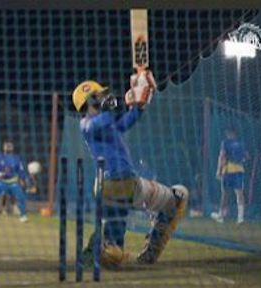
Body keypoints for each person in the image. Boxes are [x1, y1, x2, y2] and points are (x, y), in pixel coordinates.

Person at [72, 78, 189, 267]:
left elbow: (125, 122)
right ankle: (149, 250)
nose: (105, 97)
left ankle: (99, 250)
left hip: (118, 187)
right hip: (120, 184)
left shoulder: (106, 124)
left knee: (114, 246)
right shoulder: (87, 125)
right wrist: (128, 100)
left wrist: (140, 105)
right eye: (99, 95)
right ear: (91, 100)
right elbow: (110, 117)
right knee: (178, 196)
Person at [0, 141, 30, 223]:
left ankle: (23, 216)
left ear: (13, 148)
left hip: (13, 182)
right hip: (1, 182)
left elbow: (21, 170)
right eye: (6, 146)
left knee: (21, 198)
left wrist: (23, 179)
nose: (8, 147)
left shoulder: (16, 158)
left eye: (10, 146)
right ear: (4, 147)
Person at [211, 127, 249, 224]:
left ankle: (220, 215)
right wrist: (242, 159)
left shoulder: (225, 142)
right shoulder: (242, 143)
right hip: (239, 170)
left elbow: (222, 156)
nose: (227, 134)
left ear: (231, 132)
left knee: (225, 194)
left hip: (228, 171)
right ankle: (240, 218)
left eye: (228, 132)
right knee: (239, 193)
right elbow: (247, 156)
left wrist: (218, 170)